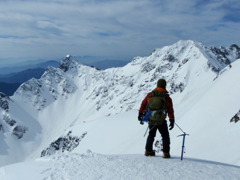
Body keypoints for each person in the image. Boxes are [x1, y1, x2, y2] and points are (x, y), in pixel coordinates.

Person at [138, 79, 175, 158]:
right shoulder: (166, 97)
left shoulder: (150, 95)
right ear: (164, 85)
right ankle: (166, 153)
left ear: (157, 85)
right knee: (165, 136)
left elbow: (143, 104)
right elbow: (170, 110)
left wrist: (140, 113)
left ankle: (148, 151)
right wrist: (171, 120)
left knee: (151, 134)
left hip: (151, 118)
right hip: (161, 120)